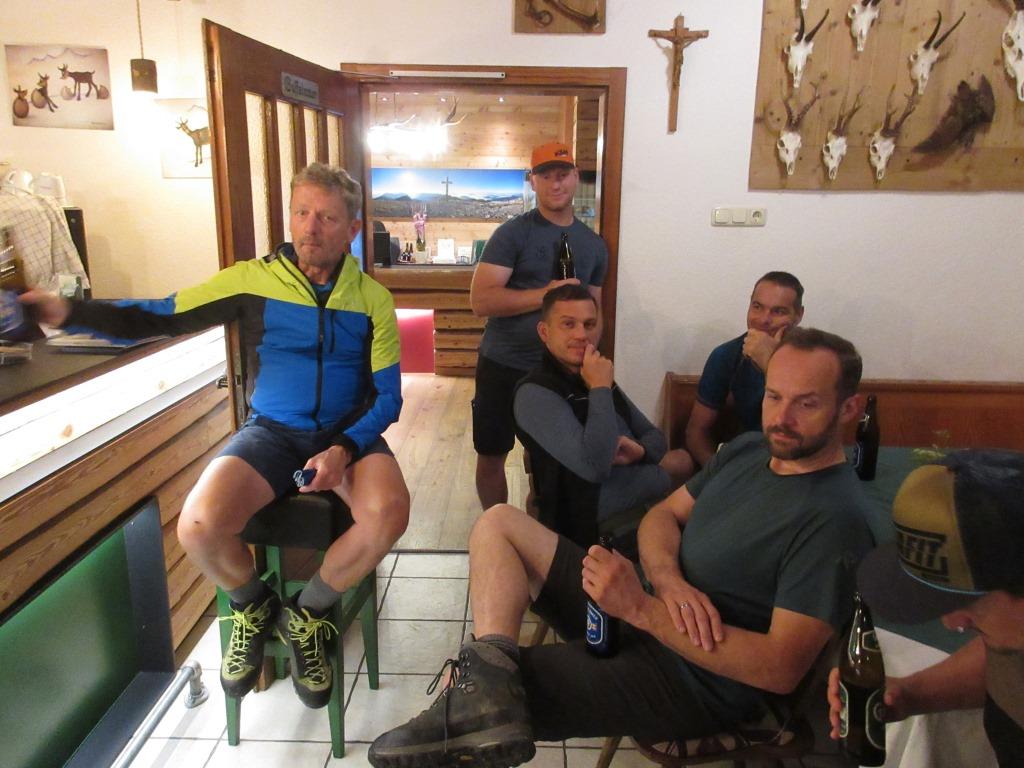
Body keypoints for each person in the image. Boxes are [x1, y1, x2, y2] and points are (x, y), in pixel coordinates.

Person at [368, 327, 874, 768]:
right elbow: (663, 515)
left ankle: (476, 706)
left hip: (692, 678)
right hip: (642, 606)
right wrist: (665, 582)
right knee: (498, 523)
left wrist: (643, 610)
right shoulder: (748, 449)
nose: (782, 417)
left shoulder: (834, 517)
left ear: (849, 407)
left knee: (490, 703)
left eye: (806, 403)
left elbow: (781, 669)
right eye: (774, 396)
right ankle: (489, 664)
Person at [21, 163, 410, 710]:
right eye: (301, 212)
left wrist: (344, 449)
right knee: (198, 526)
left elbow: (388, 398)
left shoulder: (373, 299)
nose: (310, 227)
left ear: (351, 228)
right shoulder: (252, 280)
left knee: (390, 511)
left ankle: (309, 611)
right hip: (272, 432)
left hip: (348, 432)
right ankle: (254, 604)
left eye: (326, 217)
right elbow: (161, 315)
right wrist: (69, 312)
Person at [827, 449, 1024, 767]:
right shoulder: (1011, 635)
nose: (952, 623)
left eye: (968, 604)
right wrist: (910, 694)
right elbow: (1003, 660)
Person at [470, 141, 608, 509]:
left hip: (557, 372)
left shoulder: (593, 245)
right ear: (533, 182)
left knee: (548, 461)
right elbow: (481, 301)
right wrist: (546, 294)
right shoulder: (512, 234)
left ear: (575, 177)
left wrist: (587, 359)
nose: (556, 183)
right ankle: (496, 526)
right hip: (502, 363)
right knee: (491, 454)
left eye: (562, 175)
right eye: (546, 176)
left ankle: (537, 531)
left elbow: (595, 310)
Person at [512, 284, 693, 547]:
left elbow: (655, 438)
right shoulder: (535, 393)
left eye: (589, 324)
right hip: (592, 520)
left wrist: (640, 451)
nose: (581, 335)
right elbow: (594, 466)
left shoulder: (592, 373)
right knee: (689, 475)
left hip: (637, 488)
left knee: (685, 463)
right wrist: (599, 387)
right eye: (568, 324)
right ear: (544, 332)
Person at [685, 271, 805, 468]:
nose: (764, 319)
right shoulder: (726, 355)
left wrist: (770, 363)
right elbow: (696, 432)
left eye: (778, 311)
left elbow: (810, 430)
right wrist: (717, 474)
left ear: (798, 315)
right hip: (741, 463)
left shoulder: (814, 359)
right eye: (757, 307)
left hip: (796, 463)